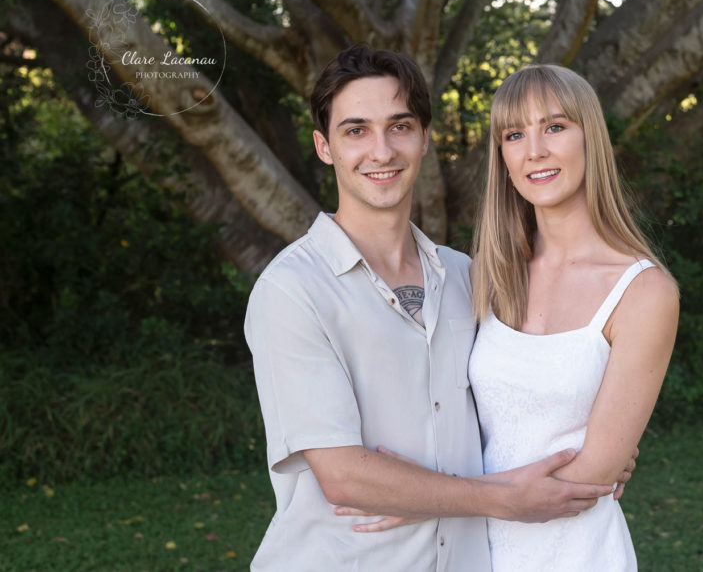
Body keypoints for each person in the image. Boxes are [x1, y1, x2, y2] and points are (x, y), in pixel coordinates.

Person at [243, 47, 619, 571]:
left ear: (424, 138)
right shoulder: (292, 290)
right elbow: (344, 475)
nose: (381, 151)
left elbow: (521, 399)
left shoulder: (469, 276)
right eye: (356, 131)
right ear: (324, 147)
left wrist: (601, 450)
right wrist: (492, 497)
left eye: (399, 126)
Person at [468, 64, 679, 571]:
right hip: (470, 554)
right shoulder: (485, 277)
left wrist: (428, 500)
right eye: (515, 134)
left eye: (555, 126)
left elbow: (595, 472)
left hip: (575, 554)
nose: (534, 149)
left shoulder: (643, 292)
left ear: (591, 139)